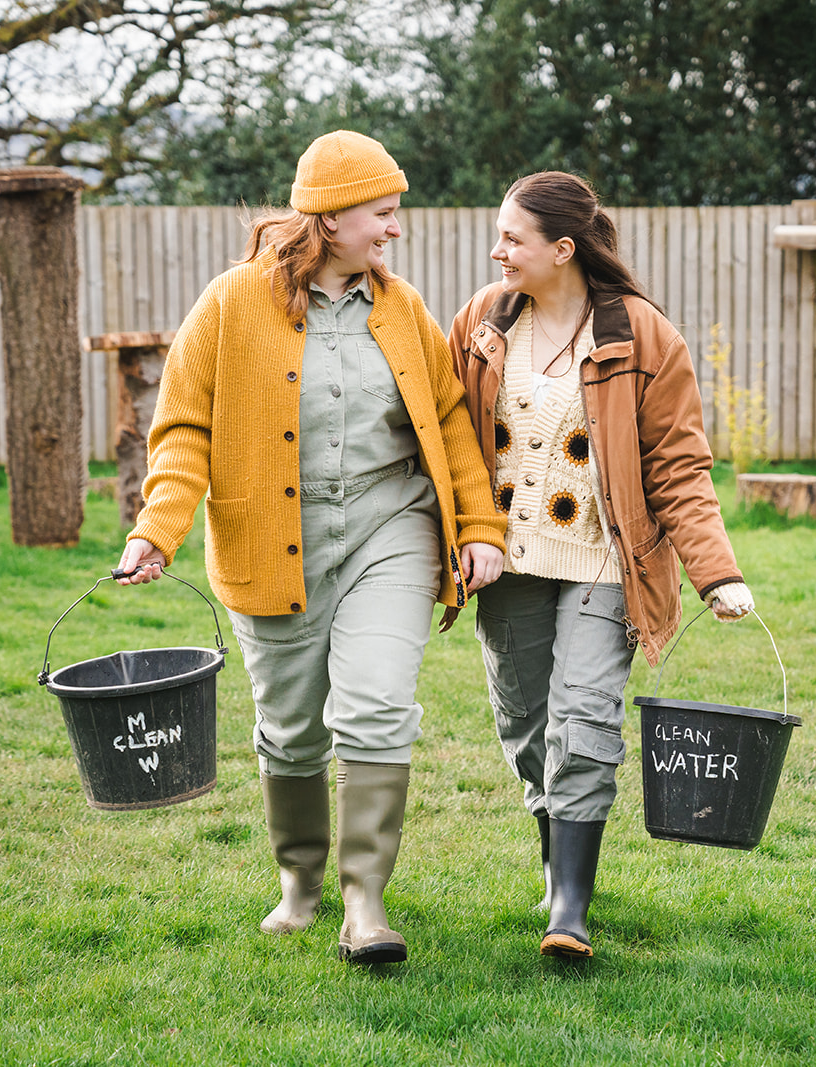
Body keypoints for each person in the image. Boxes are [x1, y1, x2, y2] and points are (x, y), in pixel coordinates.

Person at [115, 131, 506, 965]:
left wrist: (478, 528)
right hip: (270, 539)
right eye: (382, 213)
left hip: (388, 530)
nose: (394, 230)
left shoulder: (402, 310)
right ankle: (300, 882)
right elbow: (184, 428)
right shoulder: (230, 303)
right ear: (328, 220)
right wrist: (158, 528)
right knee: (291, 731)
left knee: (375, 705)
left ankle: (366, 901)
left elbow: (448, 427)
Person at [445, 171, 753, 959]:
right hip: (504, 563)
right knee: (525, 727)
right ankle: (557, 862)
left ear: (563, 248)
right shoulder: (483, 323)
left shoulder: (643, 337)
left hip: (605, 563)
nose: (497, 251)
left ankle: (569, 908)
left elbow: (680, 466)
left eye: (512, 238)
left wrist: (715, 572)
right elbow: (445, 435)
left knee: (581, 722)